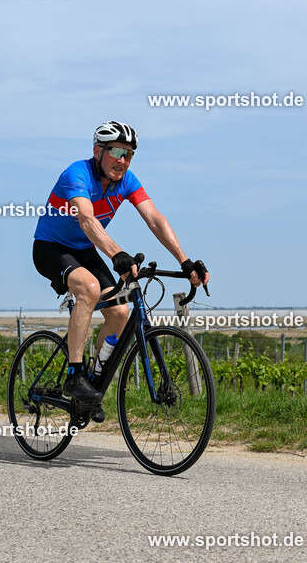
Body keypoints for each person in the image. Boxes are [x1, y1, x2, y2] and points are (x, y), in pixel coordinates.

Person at [33, 121, 208, 421]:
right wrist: (117, 254)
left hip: (85, 250)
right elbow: (87, 221)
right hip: (51, 248)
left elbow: (154, 218)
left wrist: (185, 261)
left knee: (119, 313)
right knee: (88, 288)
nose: (123, 160)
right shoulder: (76, 174)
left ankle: (93, 383)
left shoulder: (126, 181)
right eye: (116, 151)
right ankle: (75, 376)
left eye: (129, 154)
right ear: (97, 151)